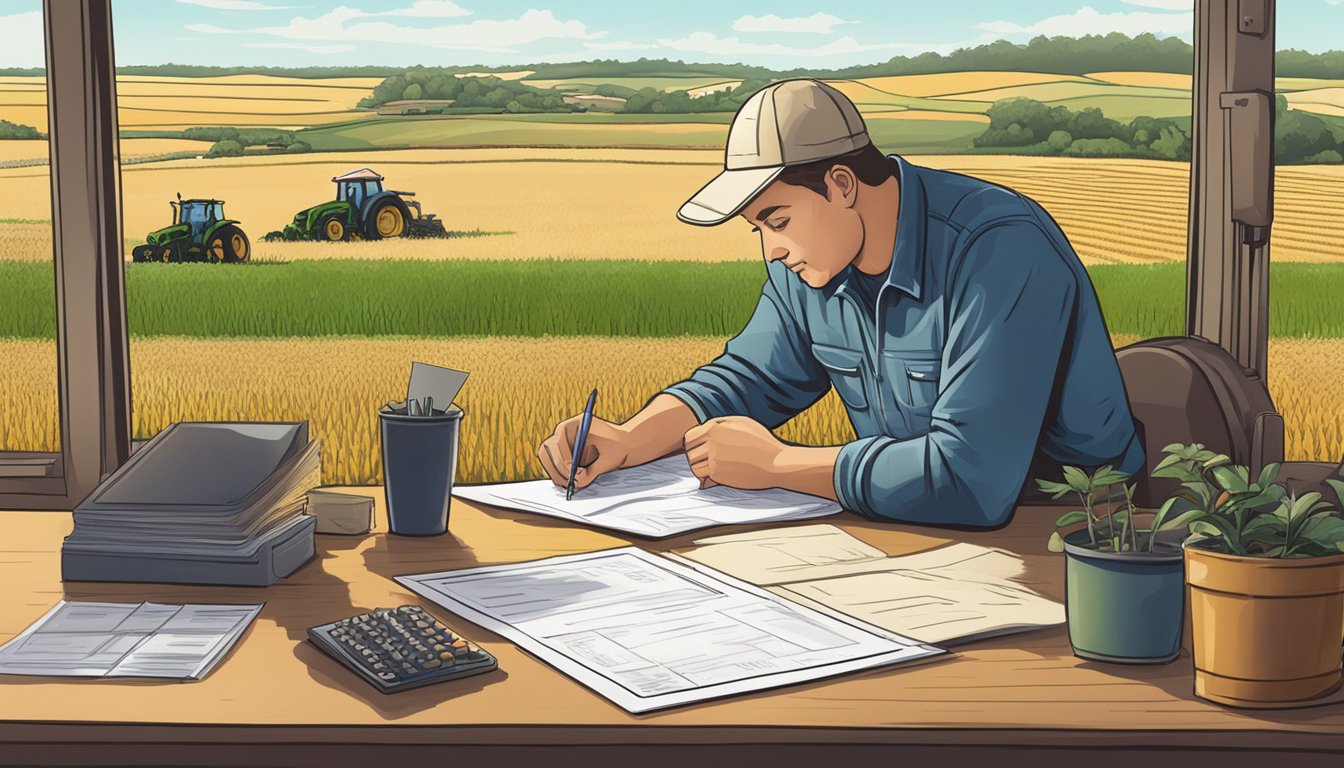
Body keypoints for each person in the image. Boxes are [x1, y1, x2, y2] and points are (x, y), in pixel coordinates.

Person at [537, 78, 1143, 528]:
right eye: (759, 230)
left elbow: (973, 482)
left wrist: (777, 467)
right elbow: (745, 378)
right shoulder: (813, 265)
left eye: (777, 220)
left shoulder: (1000, 251)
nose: (772, 251)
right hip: (904, 524)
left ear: (842, 184)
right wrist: (630, 438)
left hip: (1074, 533)